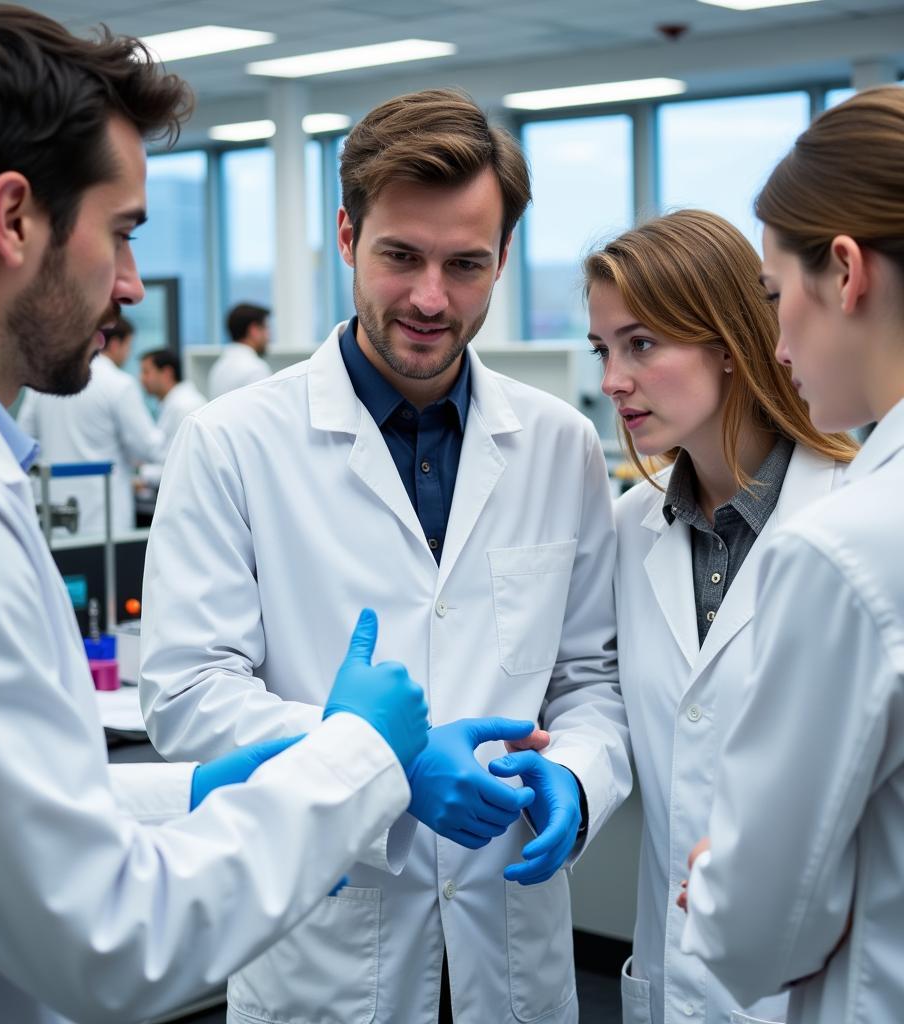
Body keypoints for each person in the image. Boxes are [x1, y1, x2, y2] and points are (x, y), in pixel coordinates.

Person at [0, 7, 433, 1022]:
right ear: (12, 219)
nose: (132, 284)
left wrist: (202, 790)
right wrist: (354, 753)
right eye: (123, 230)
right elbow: (112, 939)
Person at [140, 88, 631, 1024]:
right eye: (401, 256)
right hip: (326, 948)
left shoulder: (559, 445)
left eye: (467, 264)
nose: (431, 298)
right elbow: (190, 689)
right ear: (346, 234)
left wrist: (573, 775)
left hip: (513, 938)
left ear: (503, 261)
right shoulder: (233, 442)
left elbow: (590, 679)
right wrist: (382, 767)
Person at [584, 209, 856, 1024]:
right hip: (674, 975)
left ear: (731, 343)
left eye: (640, 344)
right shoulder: (630, 529)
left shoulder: (857, 521)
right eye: (603, 350)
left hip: (822, 981)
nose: (611, 381)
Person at [680, 85, 904, 1023]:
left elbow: (753, 934)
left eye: (776, 295)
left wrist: (720, 875)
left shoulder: (849, 547)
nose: (773, 344)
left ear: (845, 272)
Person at [17, 313, 165, 536]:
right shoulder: (119, 384)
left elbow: (23, 441)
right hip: (104, 516)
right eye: (128, 346)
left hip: (52, 511)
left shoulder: (41, 381)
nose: (128, 354)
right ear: (114, 344)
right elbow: (146, 446)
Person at [138, 347, 206, 487]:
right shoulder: (171, 404)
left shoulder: (185, 406)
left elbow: (181, 466)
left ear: (167, 373)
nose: (141, 379)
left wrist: (142, 474)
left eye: (146, 372)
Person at [206, 301, 272, 398]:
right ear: (253, 330)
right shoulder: (255, 369)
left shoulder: (218, 367)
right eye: (266, 328)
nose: (269, 336)